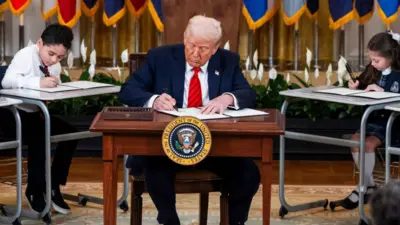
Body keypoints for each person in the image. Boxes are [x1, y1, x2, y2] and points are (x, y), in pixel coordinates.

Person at [119, 15, 260, 225]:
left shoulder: (227, 60)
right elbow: (128, 90)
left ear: (215, 48)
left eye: (203, 49)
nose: (195, 53)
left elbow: (248, 94)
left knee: (249, 174)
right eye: (191, 45)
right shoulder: (161, 57)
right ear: (185, 38)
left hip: (214, 145)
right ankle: (169, 221)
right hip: (166, 145)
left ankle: (234, 221)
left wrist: (227, 98)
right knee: (155, 168)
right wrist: (154, 100)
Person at [0, 24, 77, 215]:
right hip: (12, 115)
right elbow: (7, 81)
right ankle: (34, 190)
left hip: (37, 114)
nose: (54, 60)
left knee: (71, 134)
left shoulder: (54, 64)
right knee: (39, 136)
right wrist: (38, 83)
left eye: (59, 57)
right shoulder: (26, 55)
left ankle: (53, 185)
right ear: (40, 43)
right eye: (50, 54)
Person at [340, 31, 400, 210]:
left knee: (367, 144)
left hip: (392, 124)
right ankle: (368, 186)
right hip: (372, 120)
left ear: (391, 57)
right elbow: (363, 84)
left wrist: (383, 93)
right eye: (371, 60)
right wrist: (356, 86)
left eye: (377, 61)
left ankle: (364, 188)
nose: (372, 64)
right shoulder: (372, 70)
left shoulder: (398, 74)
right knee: (355, 142)